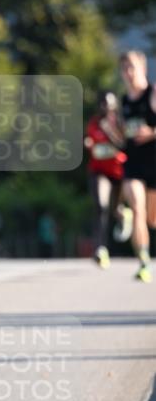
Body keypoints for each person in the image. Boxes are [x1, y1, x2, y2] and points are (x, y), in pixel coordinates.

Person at [119, 51, 156, 282]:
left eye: (132, 67)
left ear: (143, 69)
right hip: (134, 165)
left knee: (152, 218)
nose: (129, 73)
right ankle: (143, 263)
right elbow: (125, 134)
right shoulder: (124, 101)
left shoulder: (152, 94)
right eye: (125, 69)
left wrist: (151, 132)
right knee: (137, 210)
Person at [83, 90, 130, 268]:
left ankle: (123, 214)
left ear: (114, 106)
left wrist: (108, 131)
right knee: (100, 207)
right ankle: (100, 249)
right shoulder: (94, 122)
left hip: (119, 172)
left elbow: (124, 145)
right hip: (98, 170)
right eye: (102, 103)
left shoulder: (120, 122)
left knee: (114, 209)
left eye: (108, 104)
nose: (104, 107)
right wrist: (87, 142)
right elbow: (90, 140)